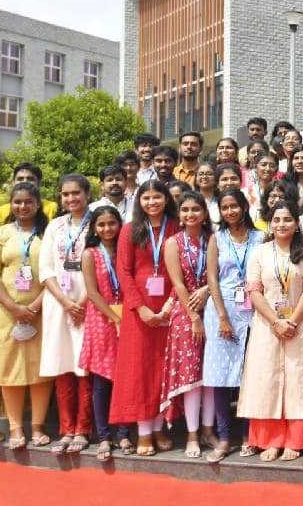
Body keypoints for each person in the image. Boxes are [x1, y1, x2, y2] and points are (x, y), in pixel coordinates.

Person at [238, 201, 303, 462]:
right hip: (267, 325)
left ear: (297, 224)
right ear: (270, 223)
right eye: (276, 219)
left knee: (298, 381)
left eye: (287, 219)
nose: (281, 224)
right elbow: (253, 290)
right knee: (267, 380)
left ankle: (296, 439)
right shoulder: (259, 252)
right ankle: (270, 441)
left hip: (301, 324)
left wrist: (292, 322)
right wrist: (276, 322)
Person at [110, 180, 181, 456]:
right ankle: (143, 432)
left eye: (158, 197)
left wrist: (170, 304)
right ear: (139, 202)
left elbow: (183, 270)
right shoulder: (130, 230)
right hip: (137, 310)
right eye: (146, 198)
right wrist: (140, 308)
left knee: (162, 370)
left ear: (166, 199)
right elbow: (123, 272)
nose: (152, 202)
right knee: (140, 370)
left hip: (169, 305)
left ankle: (159, 426)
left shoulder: (176, 228)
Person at [0, 182, 51, 450]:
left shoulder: (48, 233)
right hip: (6, 313)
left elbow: (58, 274)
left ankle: (38, 426)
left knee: (40, 369)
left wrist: (34, 306)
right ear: (10, 204)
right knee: (10, 369)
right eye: (17, 202)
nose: (23, 207)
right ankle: (15, 428)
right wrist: (14, 307)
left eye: (28, 202)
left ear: (38, 204)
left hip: (43, 310)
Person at [201, 188, 262, 462]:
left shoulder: (260, 237)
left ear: (244, 206)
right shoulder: (218, 238)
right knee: (220, 377)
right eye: (224, 207)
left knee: (251, 375)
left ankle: (250, 434)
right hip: (221, 310)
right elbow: (212, 278)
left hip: (254, 311)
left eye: (234, 206)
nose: (230, 212)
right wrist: (222, 316)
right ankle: (225, 437)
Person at [38, 174, 93, 454]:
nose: (71, 199)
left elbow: (104, 263)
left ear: (87, 193)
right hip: (58, 304)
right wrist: (64, 301)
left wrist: (83, 301)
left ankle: (83, 428)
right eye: (65, 194)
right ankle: (66, 428)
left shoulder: (96, 221)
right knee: (62, 365)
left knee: (84, 367)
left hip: (89, 303)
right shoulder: (55, 226)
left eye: (76, 193)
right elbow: (45, 268)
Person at [160, 192, 213, 458]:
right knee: (192, 377)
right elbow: (177, 283)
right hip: (186, 314)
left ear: (204, 213)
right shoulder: (173, 242)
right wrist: (193, 317)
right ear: (179, 215)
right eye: (185, 210)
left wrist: (206, 290)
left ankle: (208, 429)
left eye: (196, 209)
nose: (190, 214)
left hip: (213, 309)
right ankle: (192, 434)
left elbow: (219, 275)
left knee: (212, 376)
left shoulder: (212, 240)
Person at [77, 206, 128, 461]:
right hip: (102, 319)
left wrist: (123, 317)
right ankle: (104, 435)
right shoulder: (90, 254)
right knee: (101, 381)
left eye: (111, 223)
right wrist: (113, 317)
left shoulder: (125, 250)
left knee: (125, 377)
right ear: (94, 228)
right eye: (101, 225)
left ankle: (123, 431)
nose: (107, 229)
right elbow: (92, 292)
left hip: (127, 318)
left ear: (120, 224)